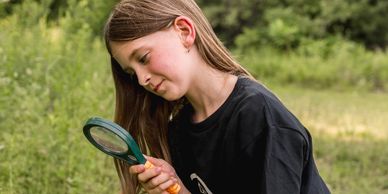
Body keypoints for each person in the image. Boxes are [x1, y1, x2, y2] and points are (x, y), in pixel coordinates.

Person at [103, 0, 331, 193]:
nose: (142, 80)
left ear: (184, 32)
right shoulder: (179, 132)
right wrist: (179, 189)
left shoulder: (259, 115)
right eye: (132, 74)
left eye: (143, 58)